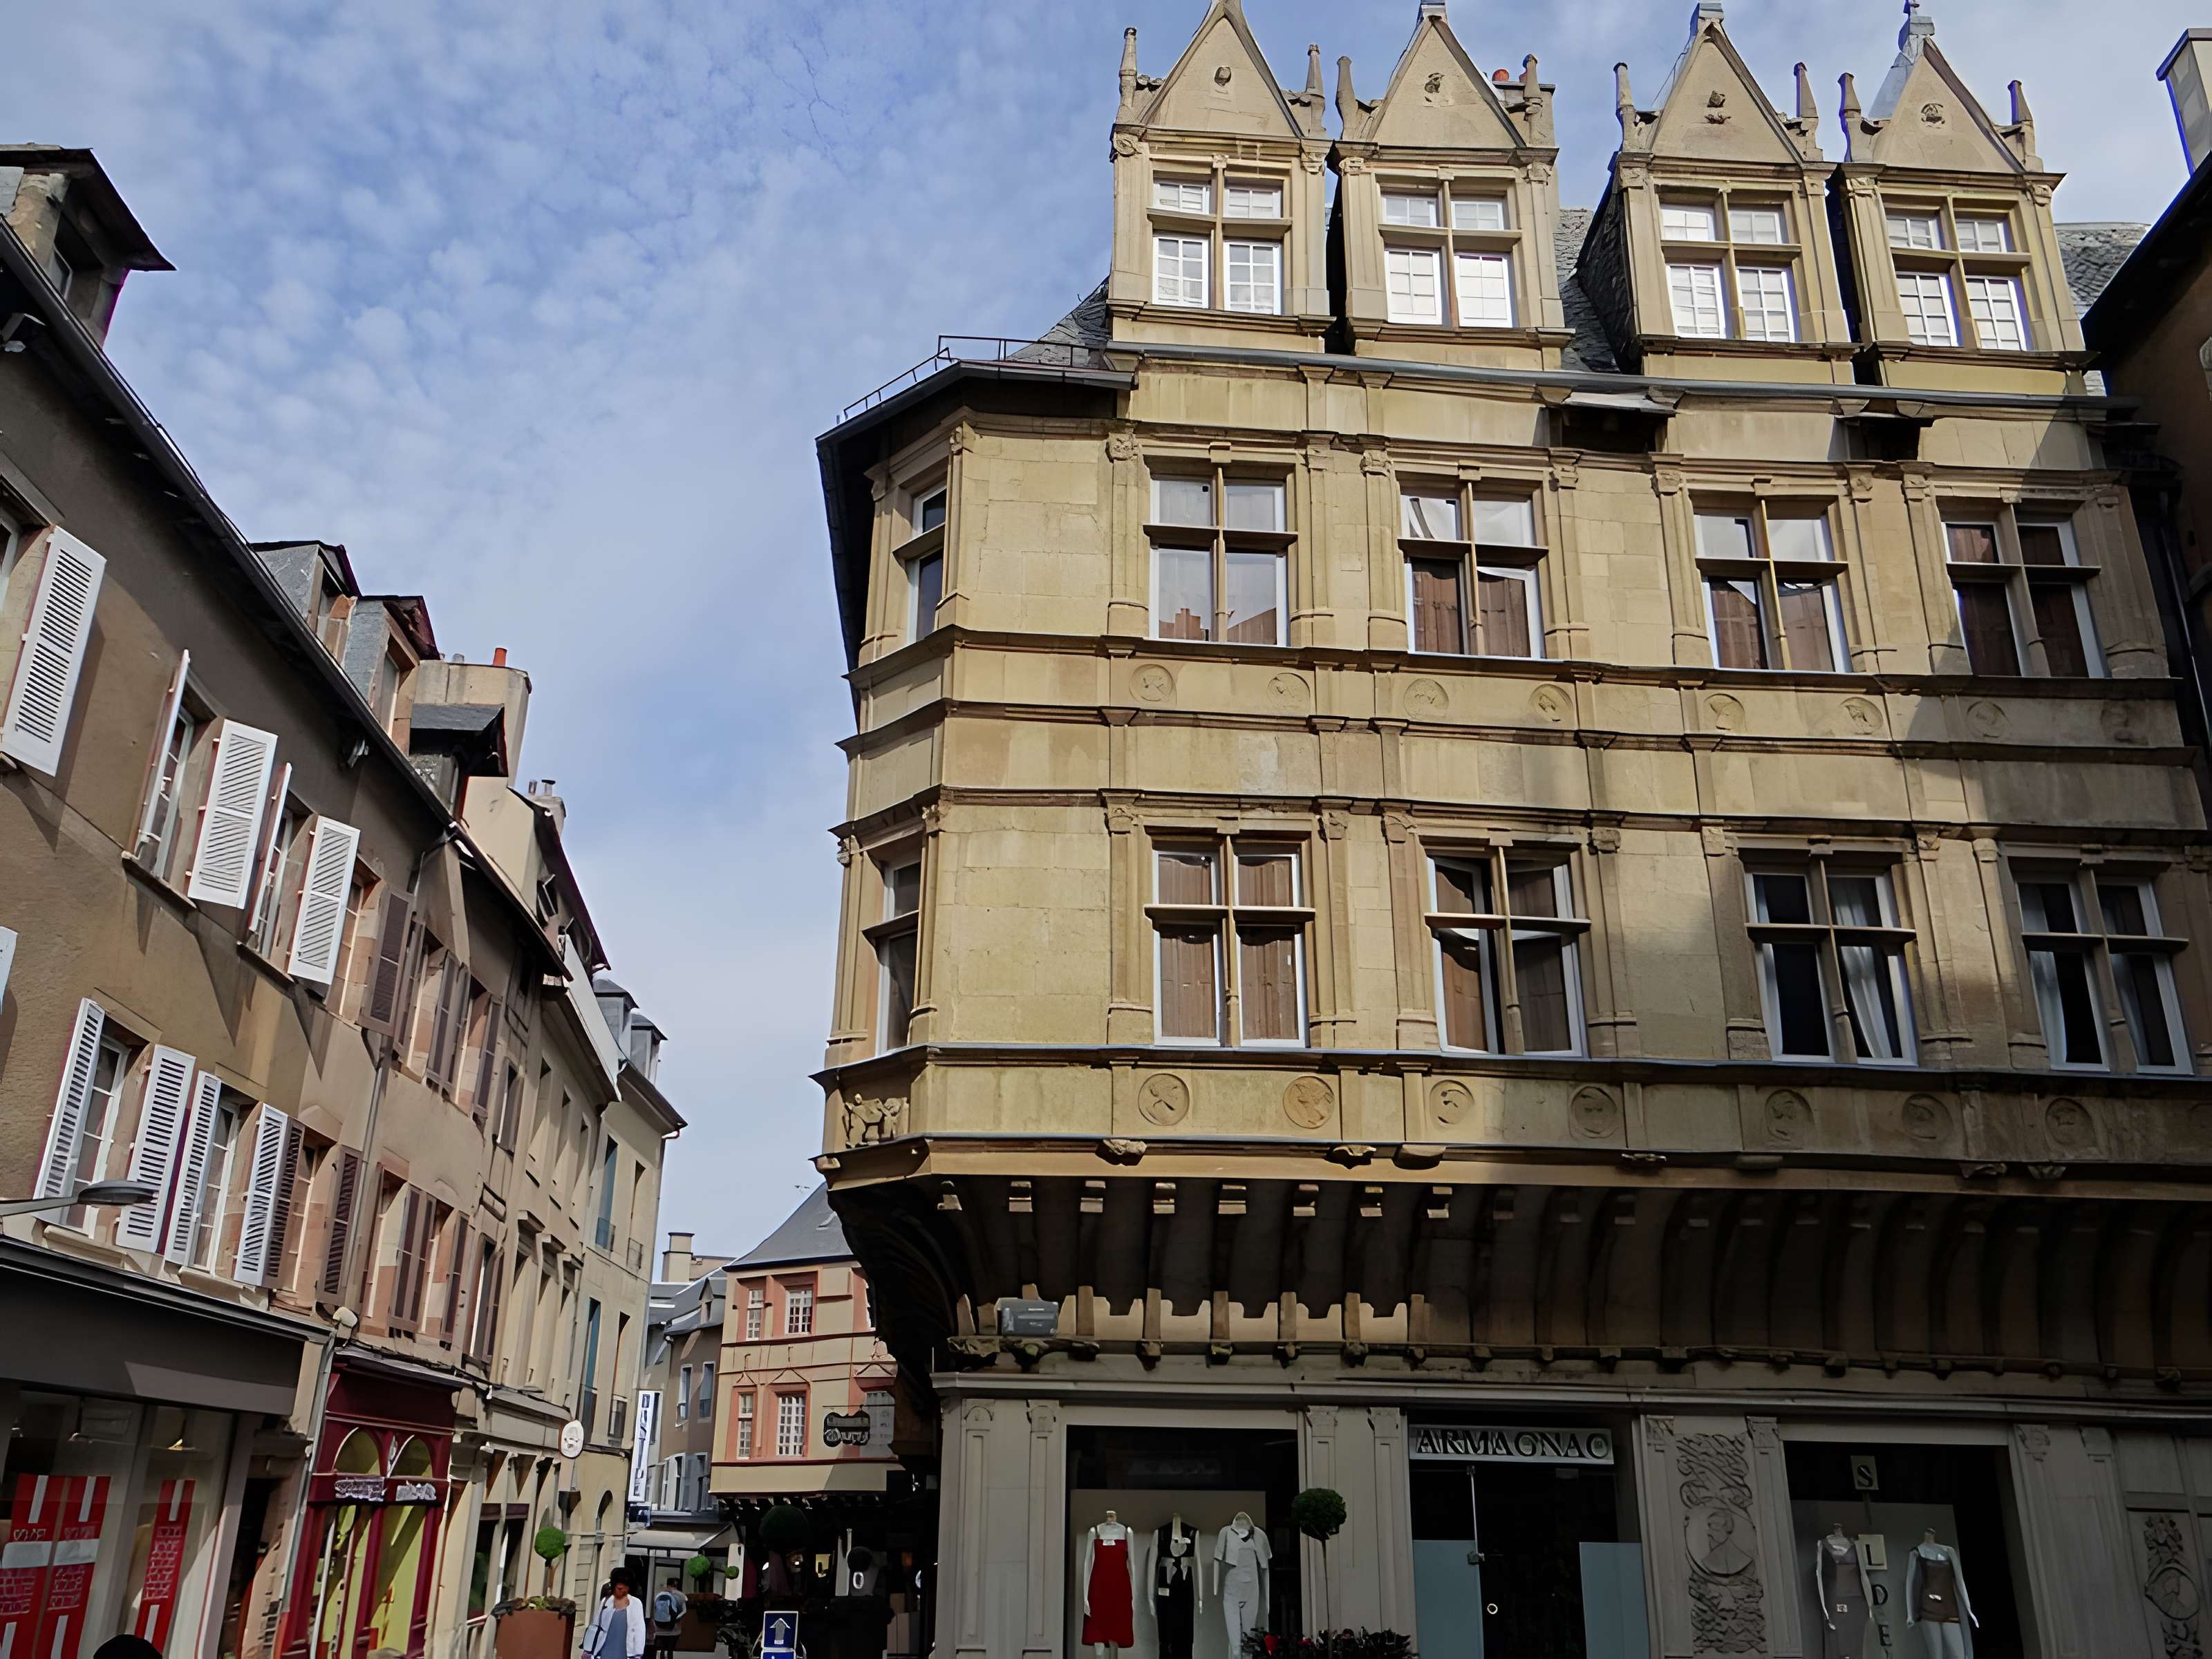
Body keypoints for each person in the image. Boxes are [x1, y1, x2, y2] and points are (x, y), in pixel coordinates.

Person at [581, 1573, 647, 1659]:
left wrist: (638, 1654)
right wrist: (587, 1650)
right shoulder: (606, 1601)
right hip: (603, 1652)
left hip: (625, 1653)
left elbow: (639, 1629)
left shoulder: (635, 1603)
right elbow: (596, 1626)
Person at [650, 1576, 686, 1659]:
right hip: (674, 1630)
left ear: (667, 1585)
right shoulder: (681, 1596)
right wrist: (677, 1618)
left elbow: (654, 1610)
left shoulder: (659, 1595)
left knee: (662, 1649)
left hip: (658, 1628)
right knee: (670, 1650)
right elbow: (684, 1611)